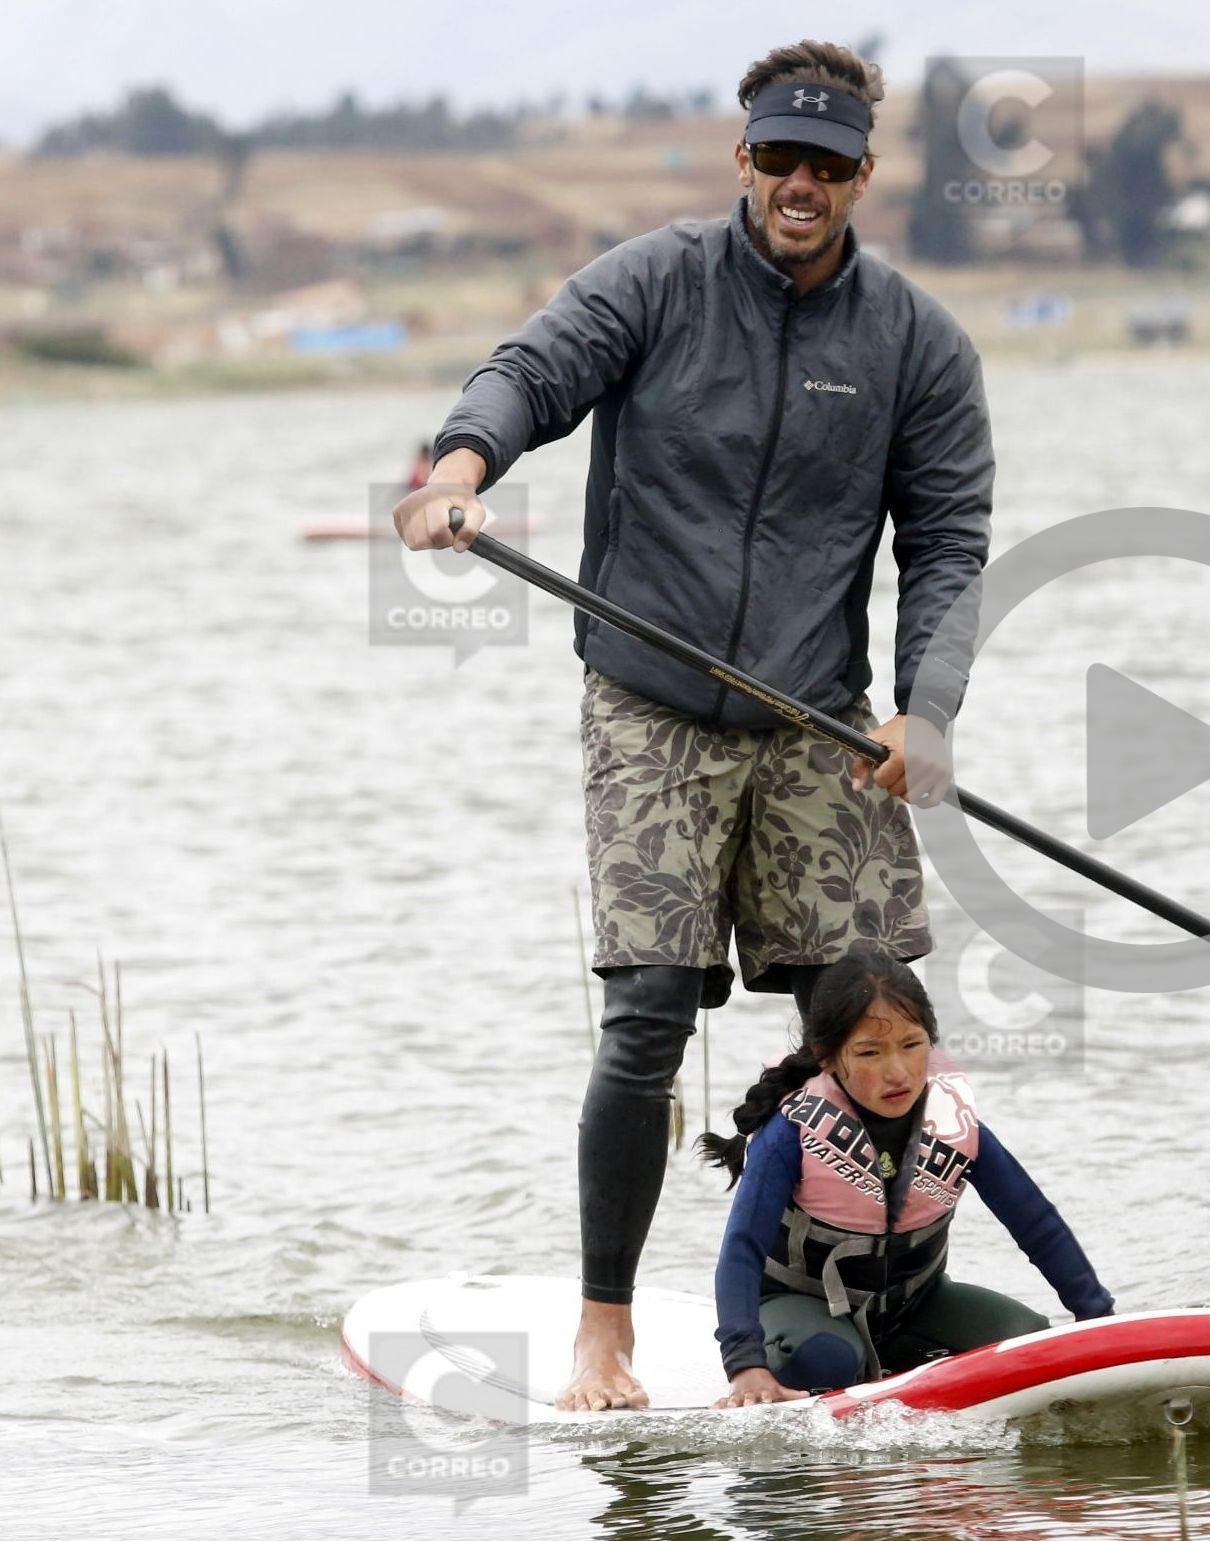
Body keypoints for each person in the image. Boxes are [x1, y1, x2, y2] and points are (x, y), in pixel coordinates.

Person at [385, 39, 992, 1410]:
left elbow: (948, 541)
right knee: (648, 1013)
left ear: (862, 178)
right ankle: (607, 1324)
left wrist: (925, 712)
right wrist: (461, 467)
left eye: (829, 165)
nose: (801, 182)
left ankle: (856, 1295)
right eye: (780, 156)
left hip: (813, 714)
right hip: (652, 705)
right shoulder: (654, 283)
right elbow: (525, 374)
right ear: (743, 159)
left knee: (876, 1017)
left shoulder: (915, 344)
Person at [701, 954, 1113, 1405]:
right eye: (870, 1052)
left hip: (915, 1307)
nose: (898, 1072)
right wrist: (746, 1366)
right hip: (802, 1309)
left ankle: (895, 1357)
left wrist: (1097, 1317)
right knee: (825, 1359)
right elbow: (742, 1250)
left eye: (912, 1045)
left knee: (1029, 1344)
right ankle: (843, 1361)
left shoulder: (953, 1126)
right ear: (828, 1057)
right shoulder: (790, 1133)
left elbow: (1035, 1223)